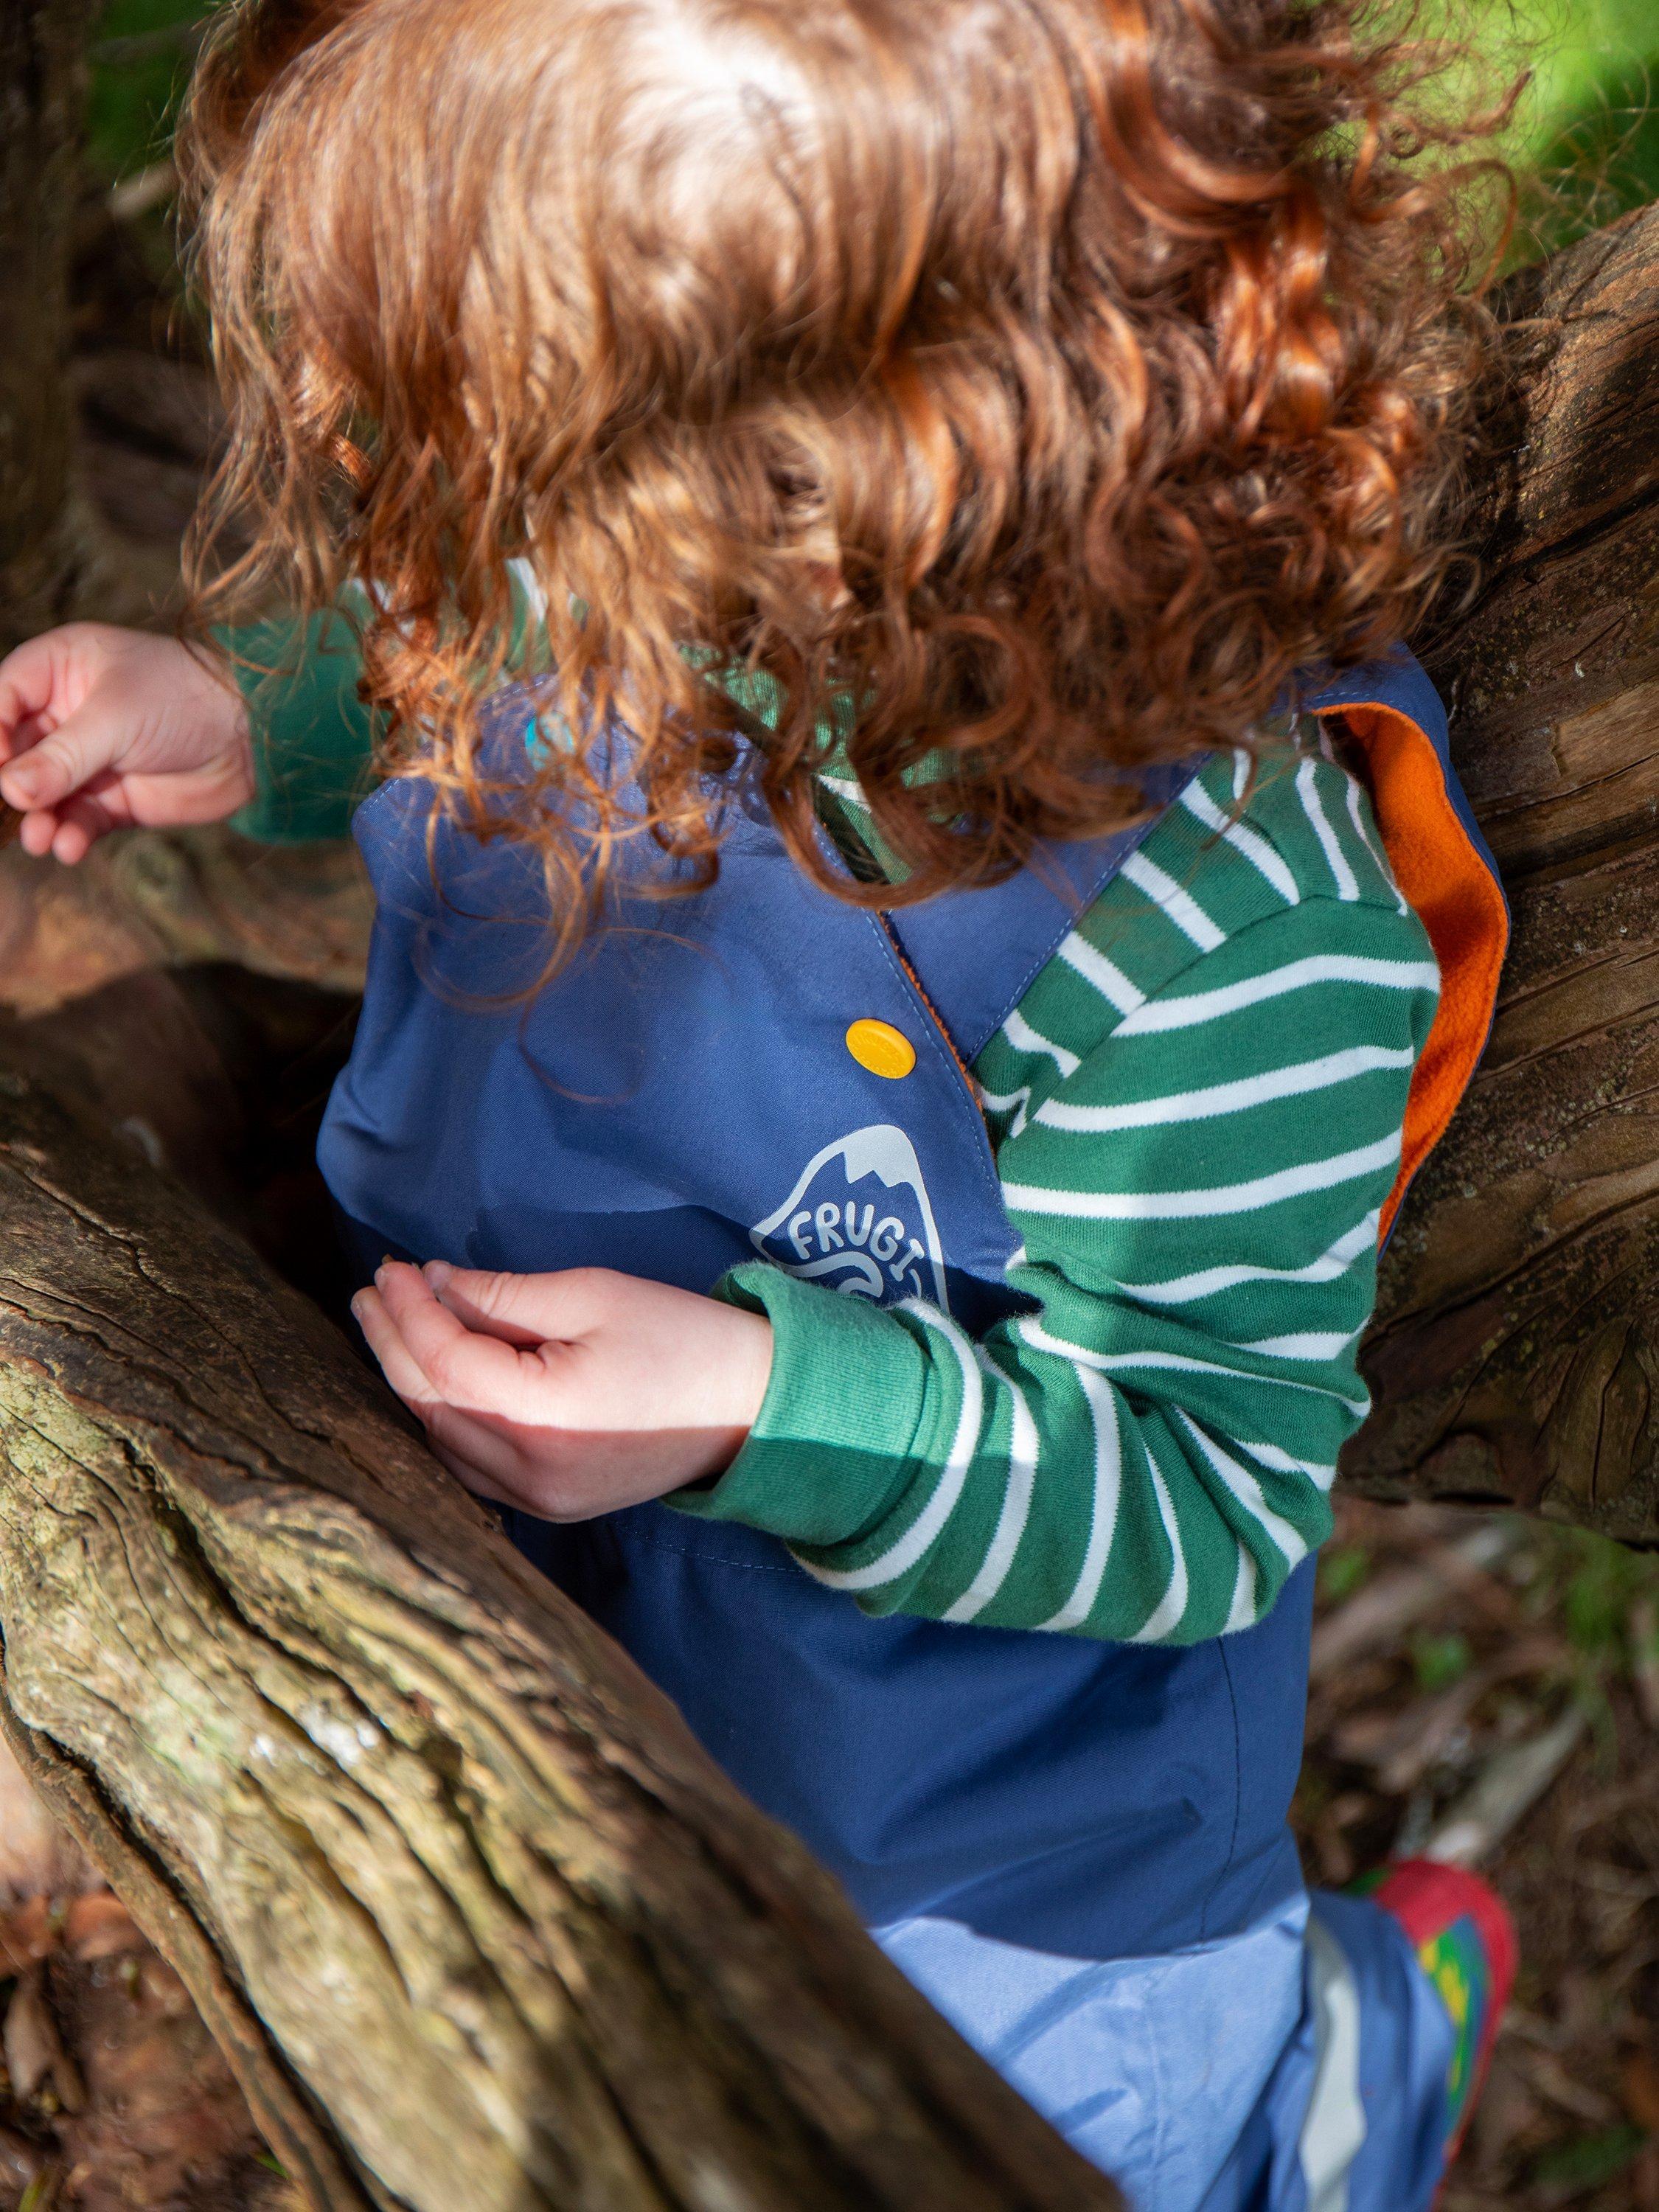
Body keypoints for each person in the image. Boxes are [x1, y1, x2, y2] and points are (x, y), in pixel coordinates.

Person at [0, 1, 1520, 2202]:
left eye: (493, 446)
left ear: (852, 483)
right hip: (559, 1601)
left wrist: (757, 1407)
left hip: (983, 1852)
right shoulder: (684, 532)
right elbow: (483, 635)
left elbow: (1199, 1490)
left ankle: (1327, 2086)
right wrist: (253, 712)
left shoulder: (1215, 927)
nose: (473, 537)